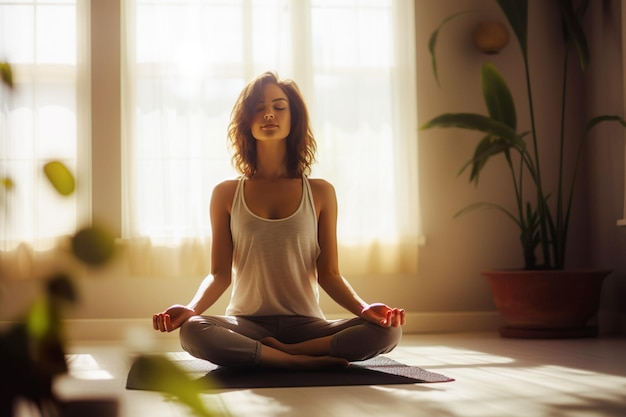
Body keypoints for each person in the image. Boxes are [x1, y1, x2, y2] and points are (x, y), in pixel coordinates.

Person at [153, 71, 405, 370]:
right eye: (258, 107)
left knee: (388, 329)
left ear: (292, 118)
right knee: (194, 331)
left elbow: (330, 274)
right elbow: (220, 274)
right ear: (247, 121)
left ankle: (281, 353)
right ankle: (297, 362)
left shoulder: (321, 192)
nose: (269, 113)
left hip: (308, 325)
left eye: (279, 106)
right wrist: (191, 309)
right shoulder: (226, 193)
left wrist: (365, 309)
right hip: (246, 323)